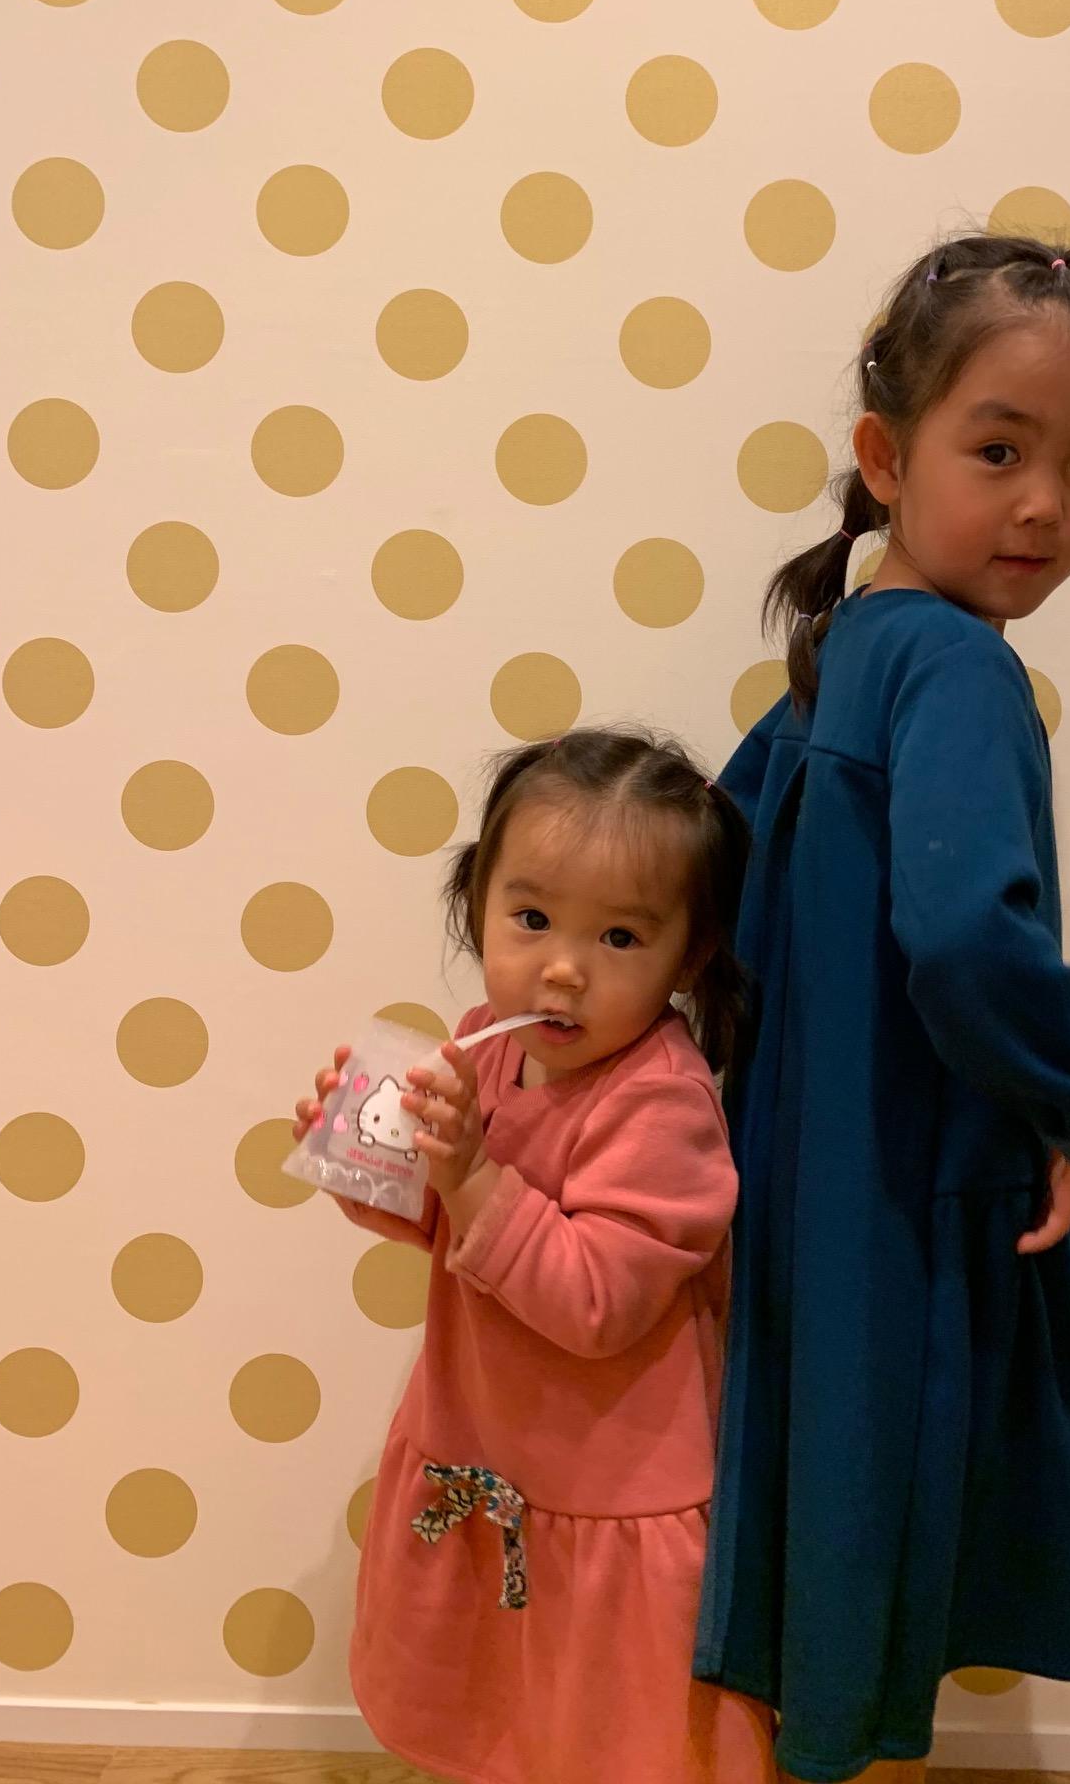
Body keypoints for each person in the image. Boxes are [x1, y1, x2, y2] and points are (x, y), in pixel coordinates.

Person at [694, 233, 1070, 1783]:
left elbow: (715, 886)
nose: (1047, 505)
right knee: (884, 1566)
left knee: (819, 1558)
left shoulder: (844, 656)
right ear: (888, 459)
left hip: (806, 1194)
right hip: (906, 1207)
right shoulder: (957, 670)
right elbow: (968, 939)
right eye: (1001, 449)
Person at [292, 729, 777, 1784]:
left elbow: (594, 1299)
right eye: (531, 919)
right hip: (486, 1451)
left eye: (620, 936)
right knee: (497, 1714)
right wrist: (371, 1160)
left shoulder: (661, 1103)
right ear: (477, 904)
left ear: (690, 955)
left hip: (609, 1488)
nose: (561, 968)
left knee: (609, 1736)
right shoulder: (490, 1042)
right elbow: (455, 1231)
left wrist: (469, 1172)